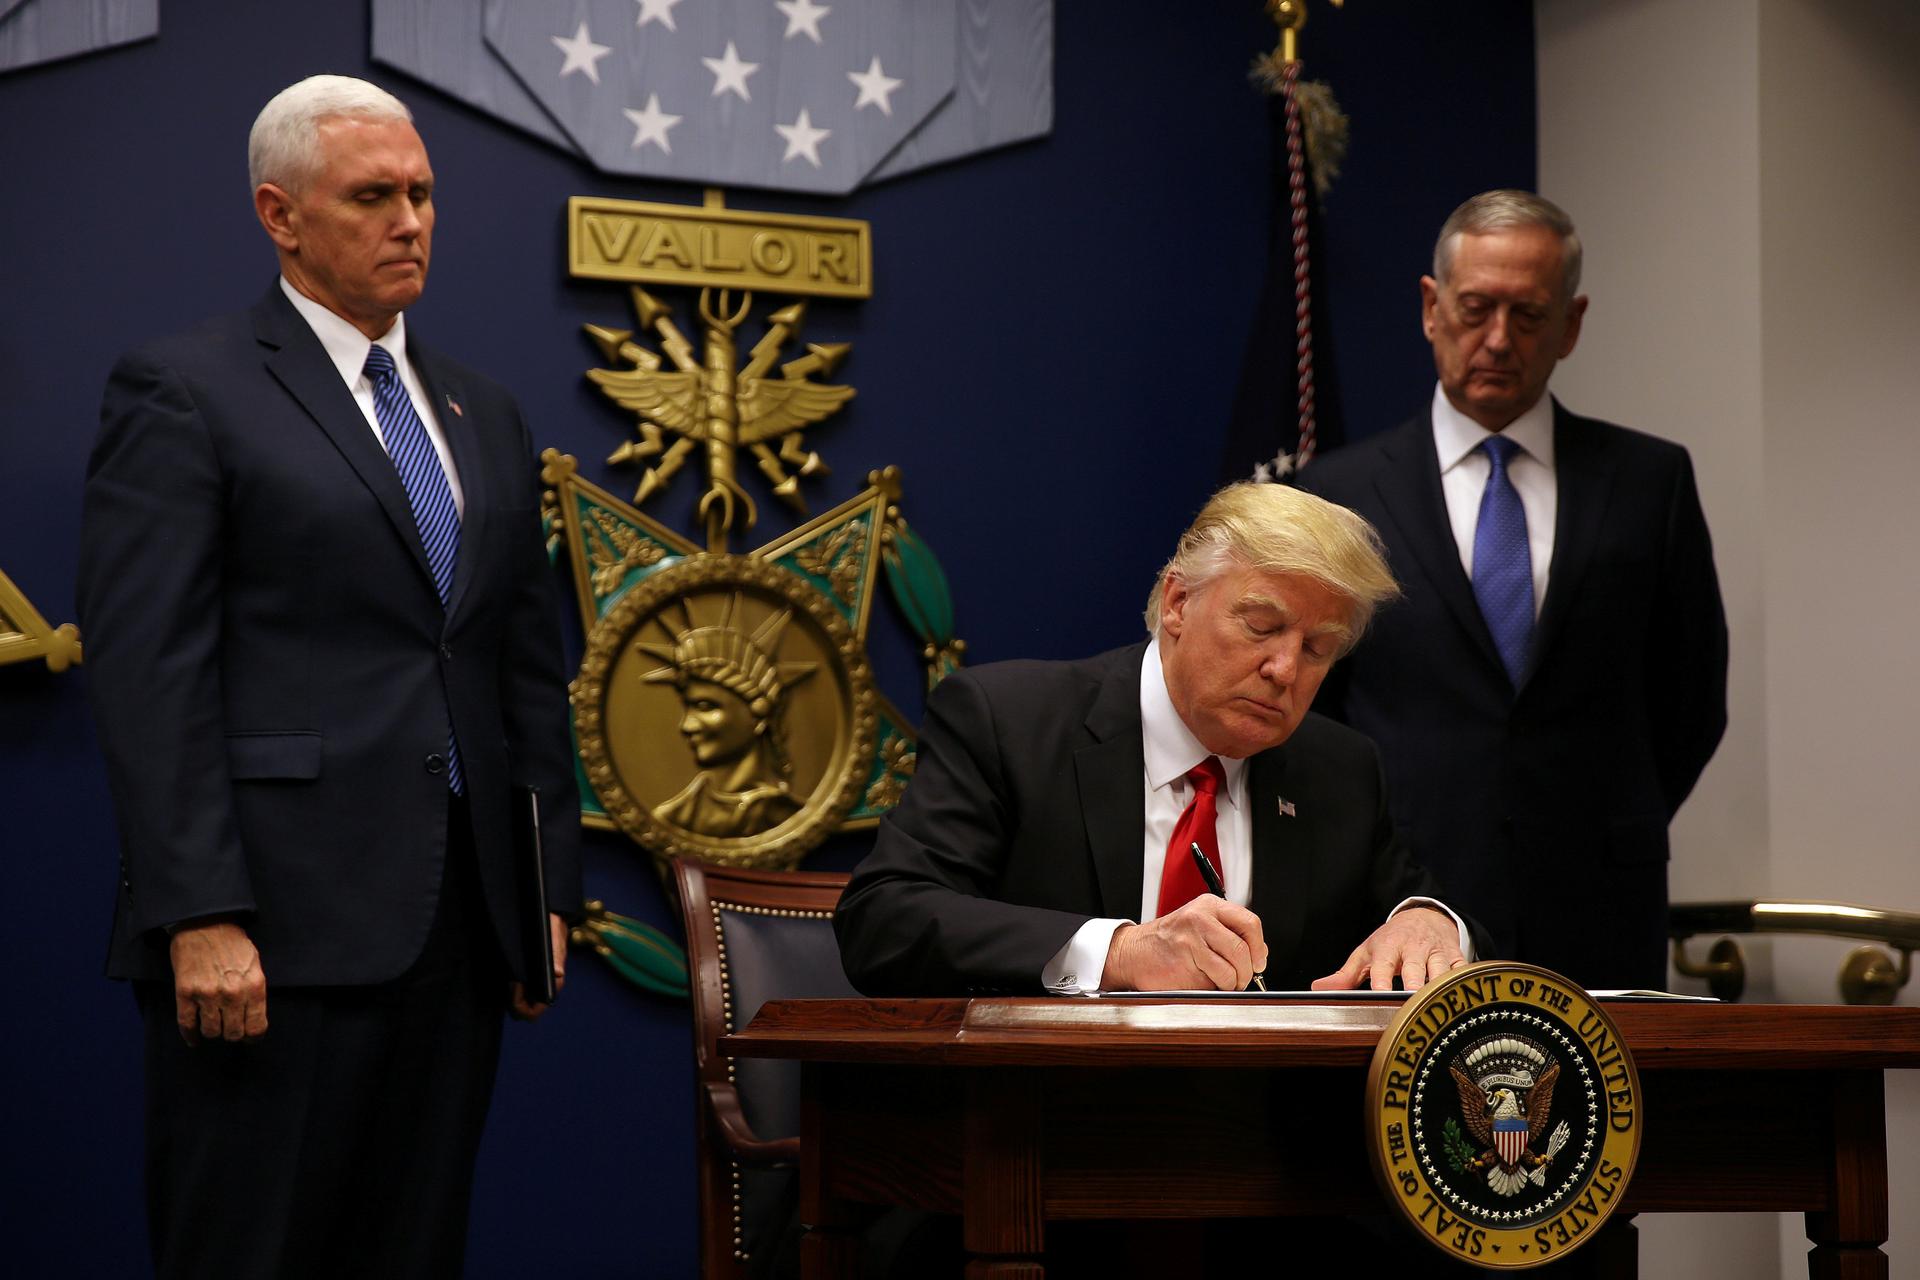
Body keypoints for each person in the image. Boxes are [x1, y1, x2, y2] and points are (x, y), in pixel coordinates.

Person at [76, 75, 582, 1277]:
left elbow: (522, 665)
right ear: (280, 214)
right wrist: (198, 909)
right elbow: (154, 671)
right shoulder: (186, 388)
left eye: (422, 193)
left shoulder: (485, 411)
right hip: (271, 931)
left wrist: (541, 880)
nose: (411, 219)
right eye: (372, 196)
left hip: (458, 929)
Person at [1296, 190, 1728, 991]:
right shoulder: (1338, 491)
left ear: (1571, 323)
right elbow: (1318, 707)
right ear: (1431, 309)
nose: (1498, 340)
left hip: (1601, 900)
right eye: (1474, 308)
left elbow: (1691, 698)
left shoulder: (1649, 481)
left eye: (1529, 315)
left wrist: (1598, 819)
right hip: (1401, 906)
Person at [835, 481, 1487, 997]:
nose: (1285, 670)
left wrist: (1429, 920)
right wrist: (1116, 953)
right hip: (1037, 1130)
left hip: (1260, 1145)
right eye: (1262, 626)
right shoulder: (1009, 721)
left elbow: (1423, 906)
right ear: (1177, 601)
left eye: (1318, 649)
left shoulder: (1337, 769)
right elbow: (884, 919)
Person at [641, 597, 812, 837]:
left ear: (759, 713)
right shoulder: (674, 816)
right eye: (687, 708)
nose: (686, 725)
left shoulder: (790, 816)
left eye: (705, 706)